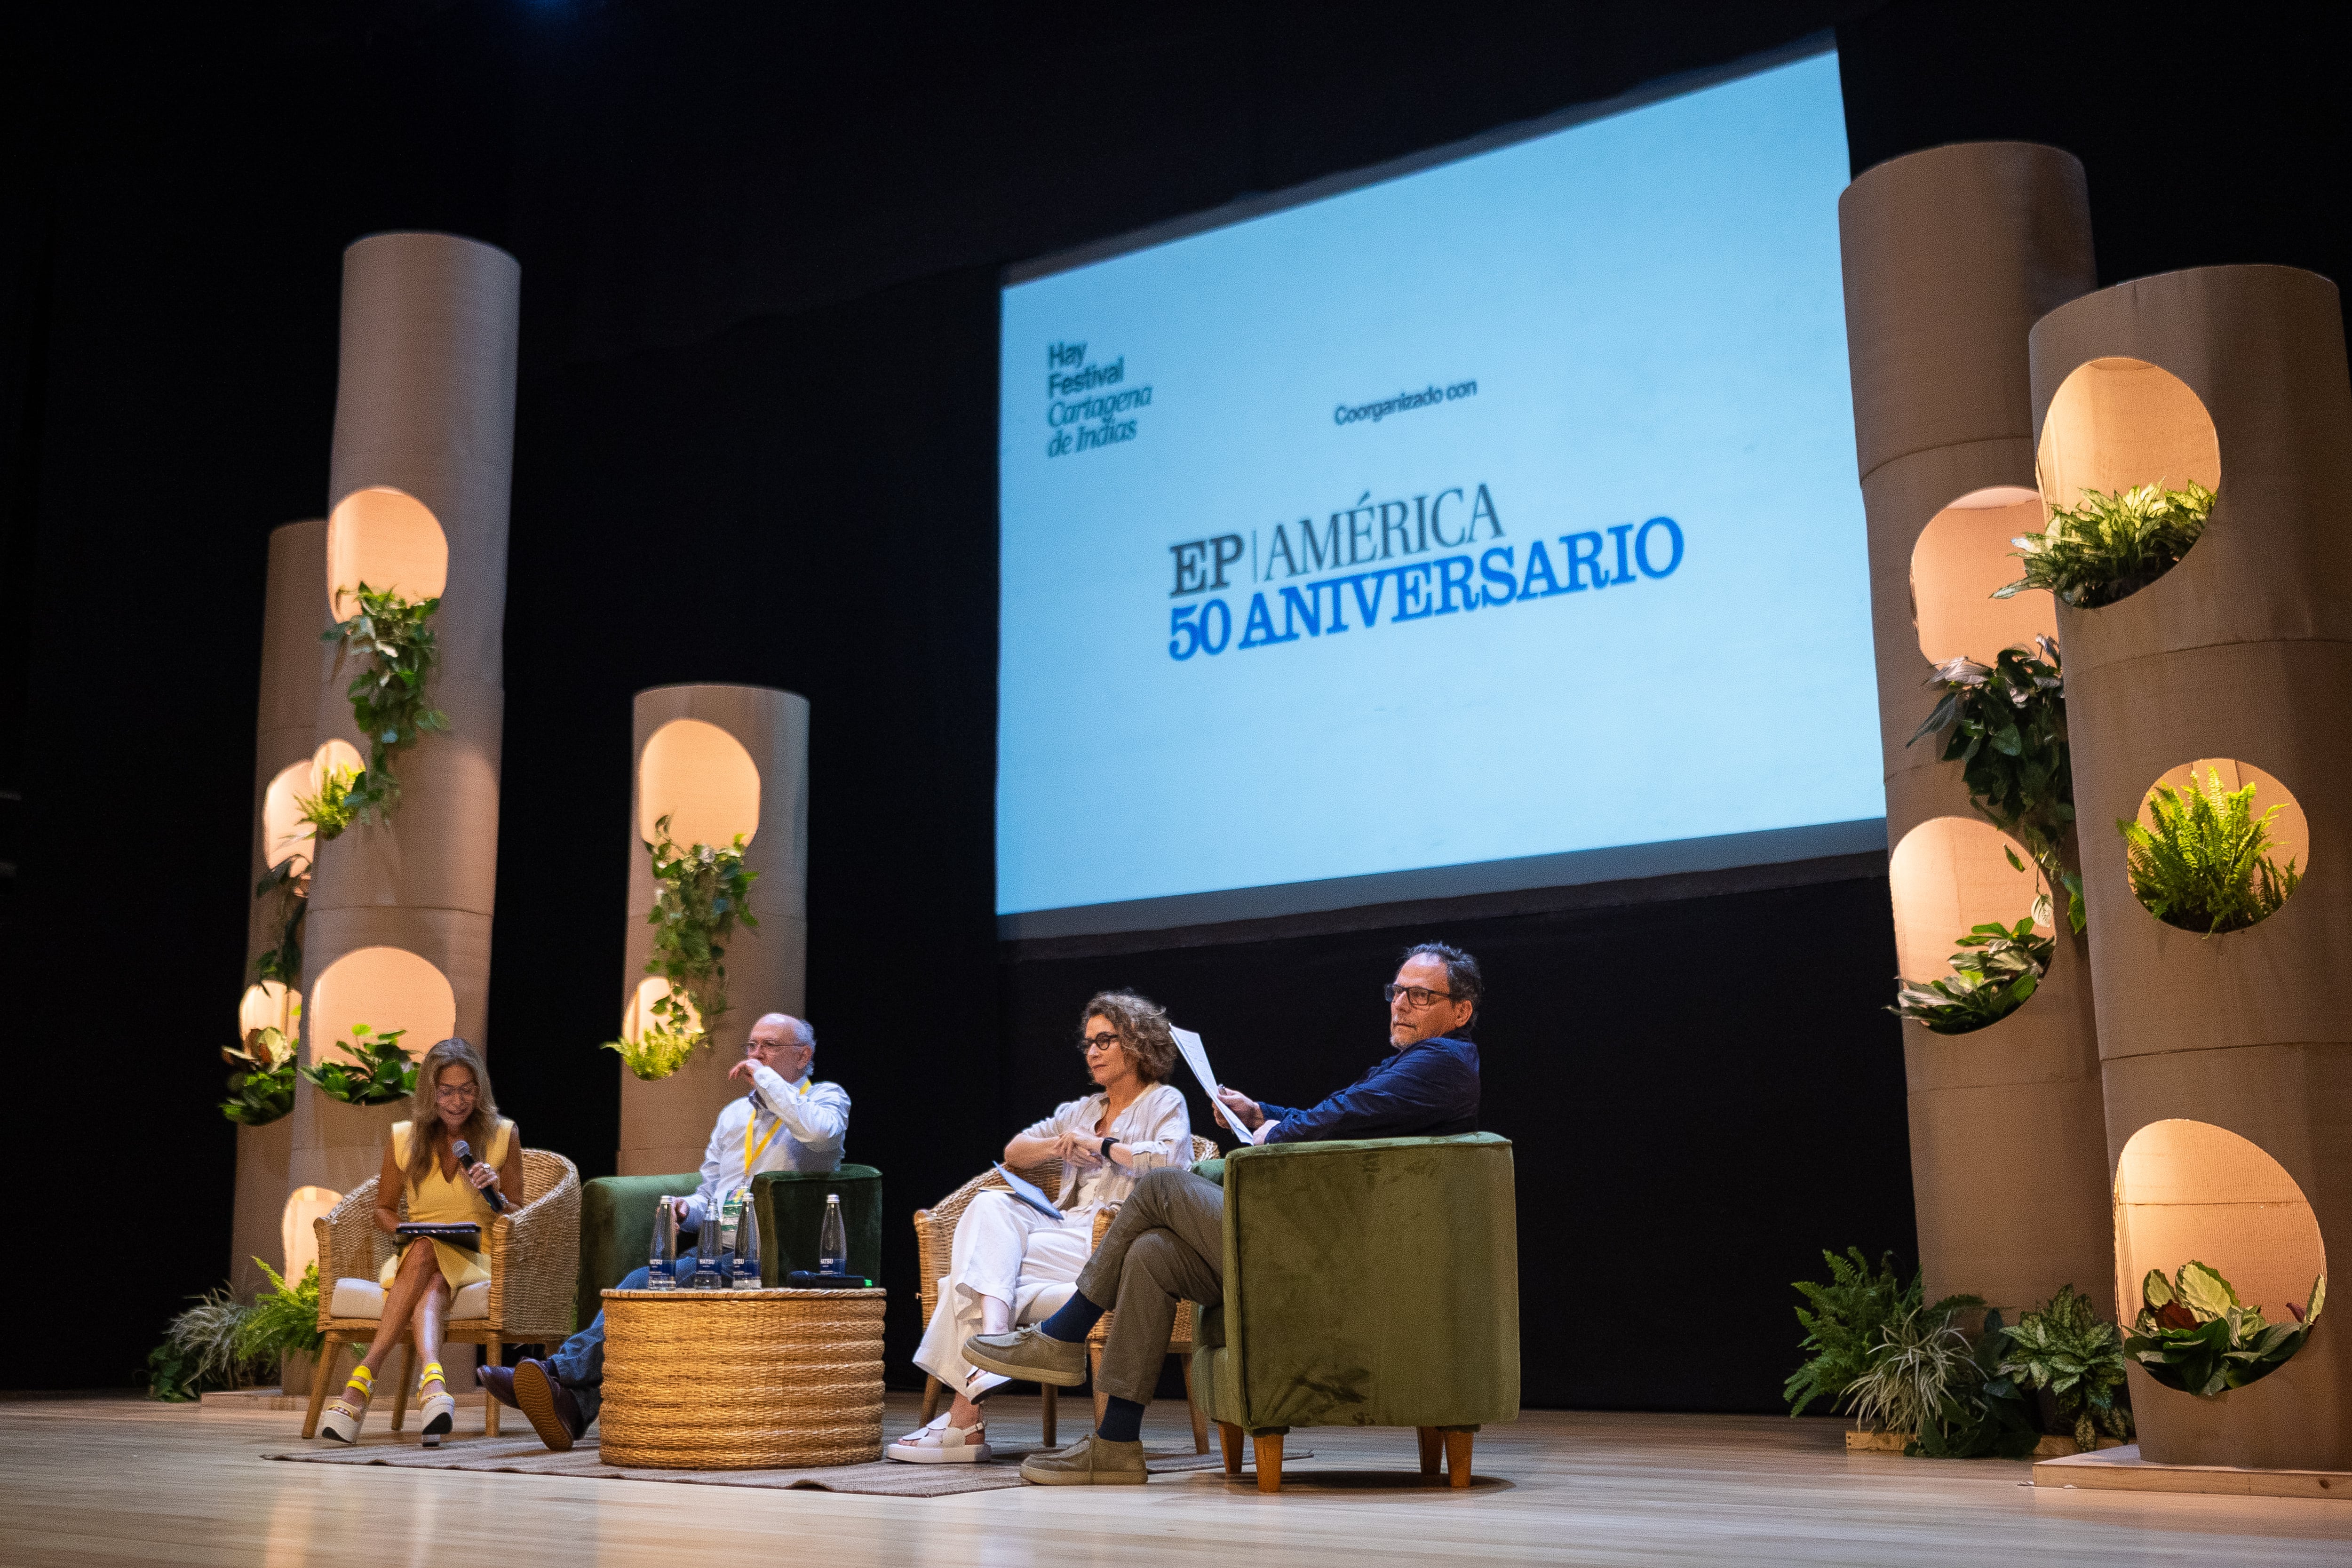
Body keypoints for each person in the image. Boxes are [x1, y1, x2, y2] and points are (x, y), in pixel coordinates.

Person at [964, 942, 1484, 1485]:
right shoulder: (1419, 1064)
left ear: (1460, 1011)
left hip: (1333, 1259)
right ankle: (1115, 1441)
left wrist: (1275, 1133)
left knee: (1162, 1184)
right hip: (1318, 1245)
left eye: (1419, 996)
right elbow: (1345, 1113)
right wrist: (1262, 1114)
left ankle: (1062, 1336)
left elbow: (1347, 1112)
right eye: (1397, 991)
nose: (1400, 1004)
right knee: (1152, 1254)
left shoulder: (1441, 1063)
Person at [480, 1012, 849, 1450]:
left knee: (676, 1280)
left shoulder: (826, 1098)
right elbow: (710, 1195)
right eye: (751, 1046)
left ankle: (557, 1377)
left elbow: (820, 1134)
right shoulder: (734, 1116)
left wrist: (767, 1080)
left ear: (802, 1055)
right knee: (640, 1282)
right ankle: (571, 1403)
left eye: (768, 1046)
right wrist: (685, 1209)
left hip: (778, 1255)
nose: (755, 1056)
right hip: (722, 1251)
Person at [888, 991, 1192, 1464]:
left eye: (1104, 1041)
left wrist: (1104, 1145)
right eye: (1088, 1043)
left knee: (967, 1275)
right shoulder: (1080, 1109)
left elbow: (1172, 1163)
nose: (1091, 1052)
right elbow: (1014, 1151)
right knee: (990, 1205)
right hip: (1060, 1230)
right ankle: (992, 1340)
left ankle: (966, 1417)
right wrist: (1058, 1147)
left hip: (1111, 1240)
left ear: (1135, 1044)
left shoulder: (1163, 1101)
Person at [318, 1036, 521, 1445]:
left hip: (477, 1254)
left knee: (428, 1252)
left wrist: (496, 1192)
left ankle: (360, 1382)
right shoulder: (404, 1138)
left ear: (479, 1090)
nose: (457, 1100)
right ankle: (433, 1385)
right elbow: (382, 1208)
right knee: (427, 1258)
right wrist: (402, 1230)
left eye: (467, 1089)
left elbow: (520, 1213)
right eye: (447, 1090)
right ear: (431, 1092)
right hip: (417, 1253)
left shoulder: (502, 1134)